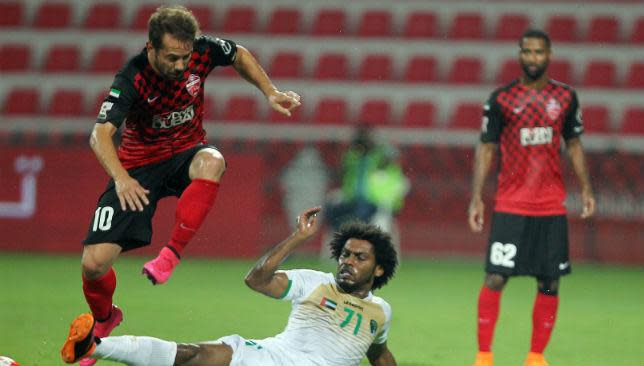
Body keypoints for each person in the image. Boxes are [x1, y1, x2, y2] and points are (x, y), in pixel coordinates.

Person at [79, 5, 301, 362]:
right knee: (93, 264)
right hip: (139, 168)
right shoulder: (131, 77)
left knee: (213, 161)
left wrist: (270, 91)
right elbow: (99, 134)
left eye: (185, 57)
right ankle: (106, 318)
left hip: (186, 152)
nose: (181, 65)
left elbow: (238, 54)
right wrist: (121, 178)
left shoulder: (201, 49)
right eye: (171, 58)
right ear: (150, 48)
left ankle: (170, 256)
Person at [61, 206, 399, 366]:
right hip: (273, 357)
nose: (347, 262)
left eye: (359, 258)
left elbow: (379, 353)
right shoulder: (315, 282)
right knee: (195, 354)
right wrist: (297, 238)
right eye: (344, 255)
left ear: (379, 268)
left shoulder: (380, 313)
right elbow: (257, 280)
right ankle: (93, 346)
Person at [468, 29, 596, 366]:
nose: (533, 58)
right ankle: (484, 355)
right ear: (519, 55)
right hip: (511, 204)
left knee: (550, 282)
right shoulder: (501, 100)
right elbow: (486, 149)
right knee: (495, 277)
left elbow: (575, 146)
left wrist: (585, 189)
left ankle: (536, 357)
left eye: (539, 52)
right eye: (527, 51)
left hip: (551, 206)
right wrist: (477, 197)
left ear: (549, 55)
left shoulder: (566, 98)